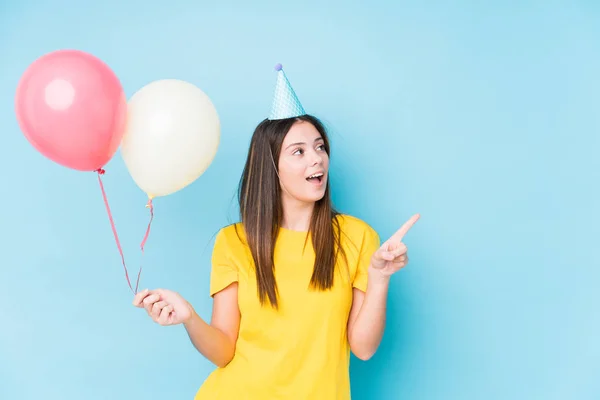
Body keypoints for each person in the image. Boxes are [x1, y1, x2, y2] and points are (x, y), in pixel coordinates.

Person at [132, 63, 420, 399]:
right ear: (272, 168)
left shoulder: (357, 237)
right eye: (298, 151)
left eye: (320, 147)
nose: (317, 160)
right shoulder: (233, 242)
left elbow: (363, 348)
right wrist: (189, 317)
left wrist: (380, 278)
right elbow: (224, 350)